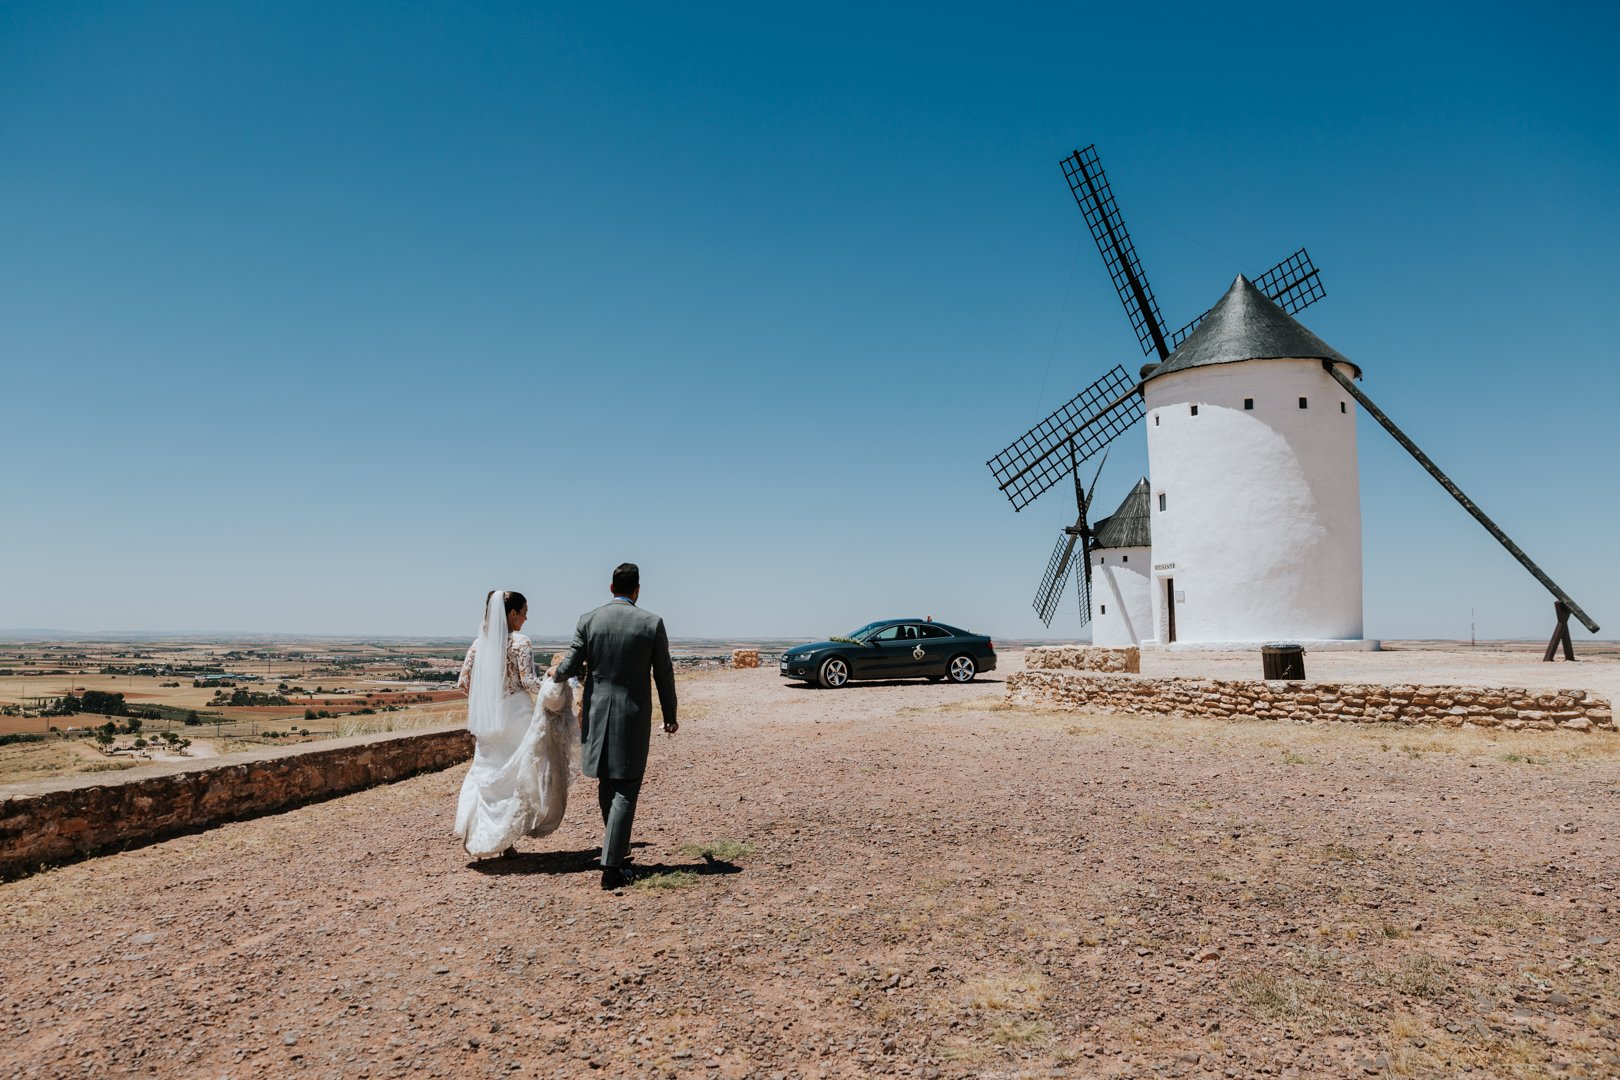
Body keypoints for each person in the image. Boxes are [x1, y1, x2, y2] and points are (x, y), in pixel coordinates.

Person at [547, 562, 678, 890]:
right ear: (637, 590)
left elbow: (570, 663)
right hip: (632, 715)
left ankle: (614, 848)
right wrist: (670, 715)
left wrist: (555, 675)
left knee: (607, 782)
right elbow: (663, 673)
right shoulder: (651, 623)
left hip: (596, 712)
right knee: (626, 787)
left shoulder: (589, 620)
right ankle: (612, 867)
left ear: (611, 588)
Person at [454, 590, 579, 859]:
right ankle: (505, 840)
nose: (525, 618)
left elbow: (464, 684)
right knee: (513, 774)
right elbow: (528, 683)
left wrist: (487, 702)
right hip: (516, 715)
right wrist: (554, 679)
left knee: (486, 773)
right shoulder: (521, 642)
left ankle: (478, 835)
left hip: (489, 719)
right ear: (511, 614)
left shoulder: (478, 644)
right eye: (523, 613)